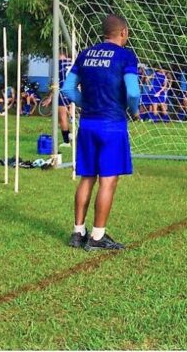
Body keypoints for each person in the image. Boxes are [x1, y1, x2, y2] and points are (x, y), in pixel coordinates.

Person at [61, 14, 140, 251]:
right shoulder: (126, 57)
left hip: (87, 125)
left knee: (88, 177)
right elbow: (133, 92)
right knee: (108, 180)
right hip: (112, 125)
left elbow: (67, 88)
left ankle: (78, 232)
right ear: (124, 32)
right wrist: (134, 111)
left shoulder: (85, 54)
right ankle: (97, 236)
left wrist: (85, 103)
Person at [40, 50, 74, 146]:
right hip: (74, 90)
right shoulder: (74, 62)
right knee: (70, 113)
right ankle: (72, 126)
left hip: (63, 92)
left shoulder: (59, 65)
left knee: (62, 118)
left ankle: (67, 141)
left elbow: (57, 83)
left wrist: (50, 97)